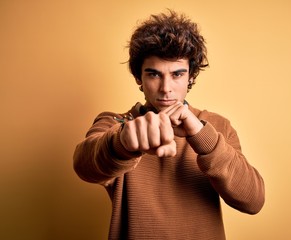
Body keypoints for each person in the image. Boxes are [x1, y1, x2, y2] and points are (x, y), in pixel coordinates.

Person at [73, 10, 265, 240]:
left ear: (191, 77)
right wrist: (122, 143)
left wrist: (202, 136)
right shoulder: (115, 123)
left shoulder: (217, 126)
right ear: (138, 78)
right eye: (154, 74)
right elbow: (85, 165)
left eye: (177, 74)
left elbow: (253, 201)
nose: (166, 88)